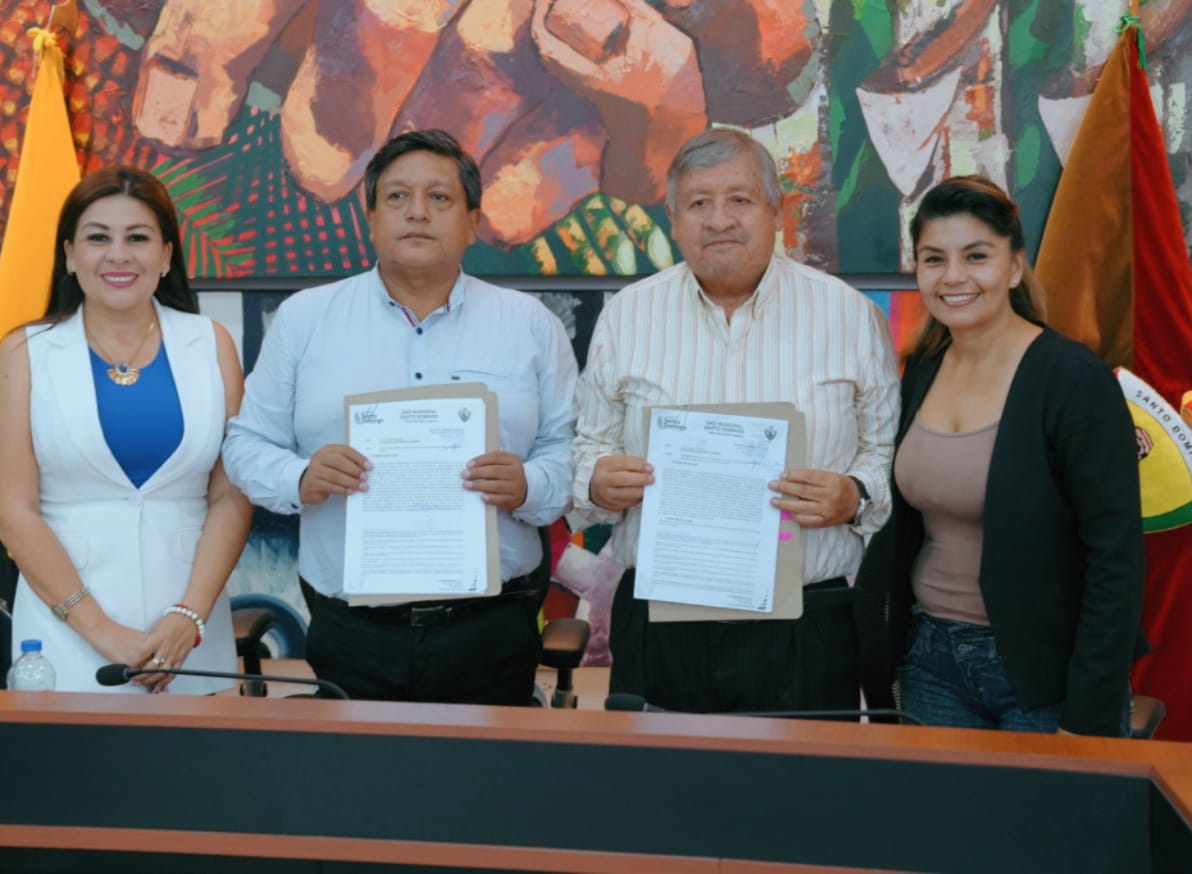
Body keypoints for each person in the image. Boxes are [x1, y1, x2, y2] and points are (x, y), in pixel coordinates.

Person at [221, 129, 578, 704]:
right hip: (352, 629)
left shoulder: (530, 324)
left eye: (439, 197)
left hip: (491, 626)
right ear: (369, 217)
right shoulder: (304, 320)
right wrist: (301, 477)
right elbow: (246, 444)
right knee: (360, 764)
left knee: (493, 763)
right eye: (396, 197)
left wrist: (529, 484)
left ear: (472, 221)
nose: (417, 212)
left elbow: (568, 449)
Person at [571, 128, 900, 714]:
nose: (719, 219)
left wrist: (854, 494)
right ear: (674, 219)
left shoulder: (848, 315)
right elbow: (588, 448)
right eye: (699, 202)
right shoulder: (627, 316)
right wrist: (598, 481)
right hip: (662, 625)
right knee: (654, 773)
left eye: (739, 200)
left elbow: (887, 455)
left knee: (808, 772)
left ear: (776, 211)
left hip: (806, 625)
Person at [854, 175, 1145, 736]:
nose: (953, 276)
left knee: (1044, 802)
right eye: (934, 258)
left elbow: (1117, 559)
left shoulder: (1072, 379)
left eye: (976, 256)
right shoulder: (924, 366)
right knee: (937, 801)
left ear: (1014, 268)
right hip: (930, 661)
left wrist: (1089, 712)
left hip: (1044, 672)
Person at [0, 166, 250, 694]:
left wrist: (190, 616)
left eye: (137, 238)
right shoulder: (25, 352)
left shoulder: (211, 343)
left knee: (199, 751)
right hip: (64, 633)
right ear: (70, 255)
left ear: (166, 255)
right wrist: (101, 630)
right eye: (98, 238)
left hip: (190, 634)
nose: (118, 255)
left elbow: (231, 493)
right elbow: (13, 509)